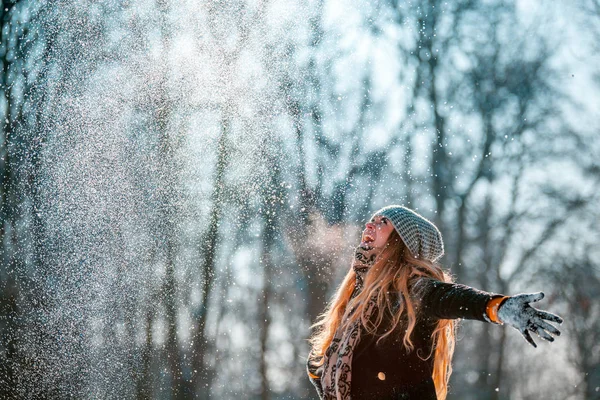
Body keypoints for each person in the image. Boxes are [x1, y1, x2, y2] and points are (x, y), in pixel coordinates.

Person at [305, 205, 564, 400]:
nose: (369, 226)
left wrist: (497, 307)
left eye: (383, 222)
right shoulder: (357, 296)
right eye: (370, 221)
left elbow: (453, 297)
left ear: (402, 241)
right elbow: (322, 362)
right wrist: (324, 376)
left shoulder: (412, 290)